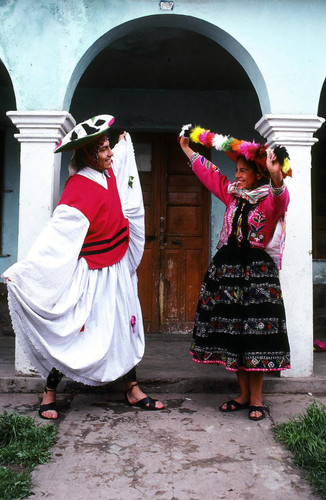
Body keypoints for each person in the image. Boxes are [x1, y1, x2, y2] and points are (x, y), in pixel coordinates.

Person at [3, 114, 164, 418]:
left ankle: (132, 388)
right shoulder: (78, 188)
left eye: (107, 146)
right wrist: (25, 273)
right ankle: (49, 391)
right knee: (78, 331)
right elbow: (58, 236)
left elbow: (120, 163)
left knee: (124, 327)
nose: (109, 153)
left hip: (116, 268)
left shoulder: (108, 173)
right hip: (93, 272)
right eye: (103, 149)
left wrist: (122, 143)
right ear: (89, 154)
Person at [178, 124, 291, 421]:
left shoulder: (268, 200)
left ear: (257, 174)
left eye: (242, 171)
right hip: (228, 272)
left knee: (255, 336)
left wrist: (276, 171)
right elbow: (211, 176)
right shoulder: (232, 195)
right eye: (237, 170)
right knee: (235, 335)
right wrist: (188, 149)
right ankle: (242, 395)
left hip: (257, 275)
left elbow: (281, 195)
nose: (237, 175)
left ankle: (257, 399)